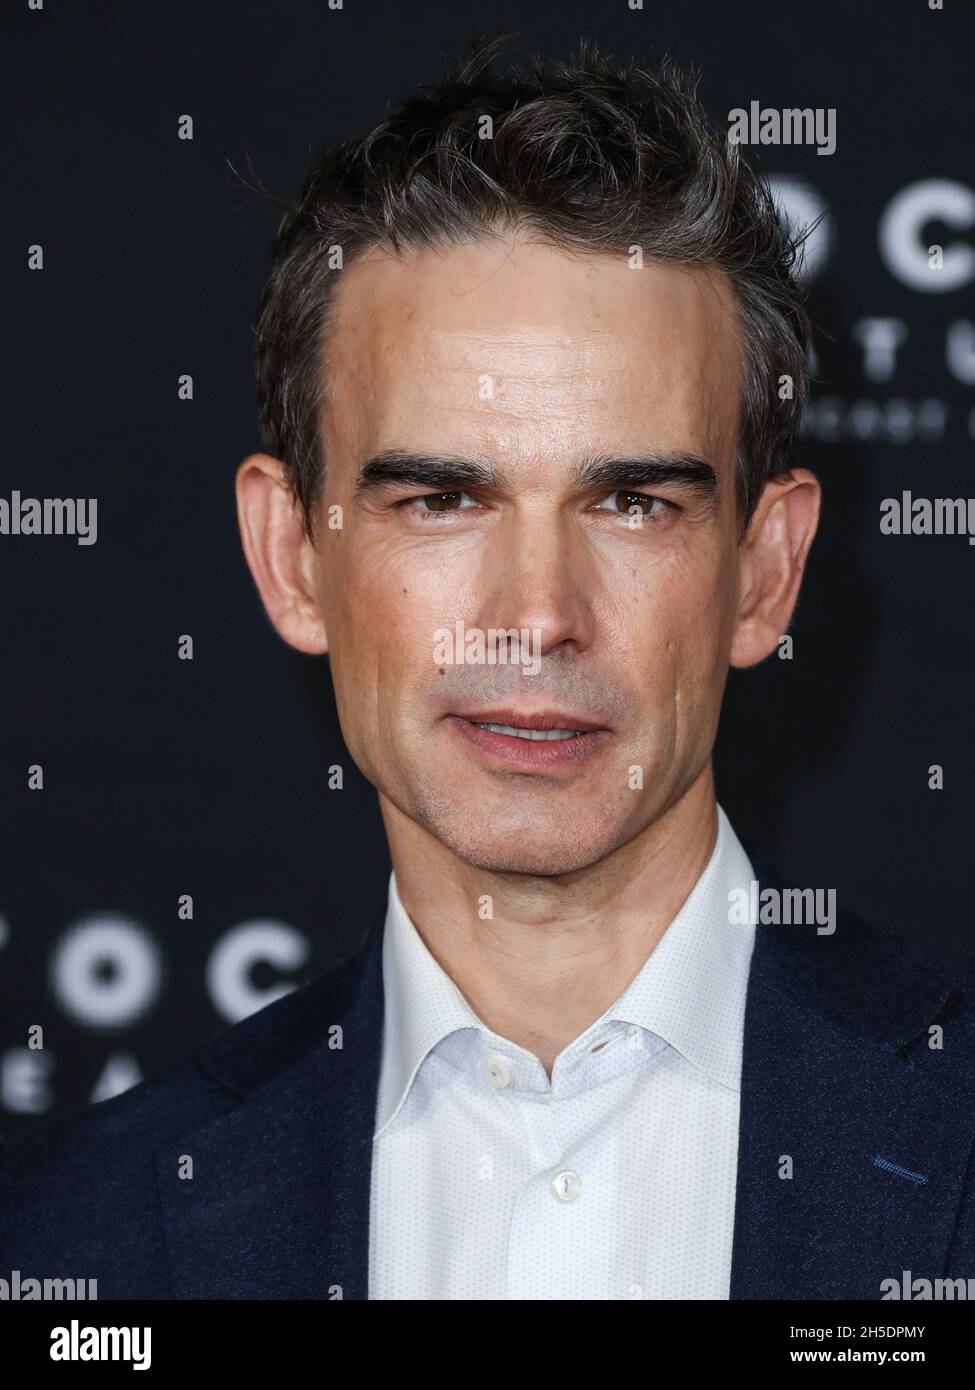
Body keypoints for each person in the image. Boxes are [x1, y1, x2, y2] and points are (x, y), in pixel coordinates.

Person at [3, 37, 974, 1302]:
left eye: (632, 503)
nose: (537, 618)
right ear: (292, 556)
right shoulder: (66, 1245)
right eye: (441, 500)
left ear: (764, 570)